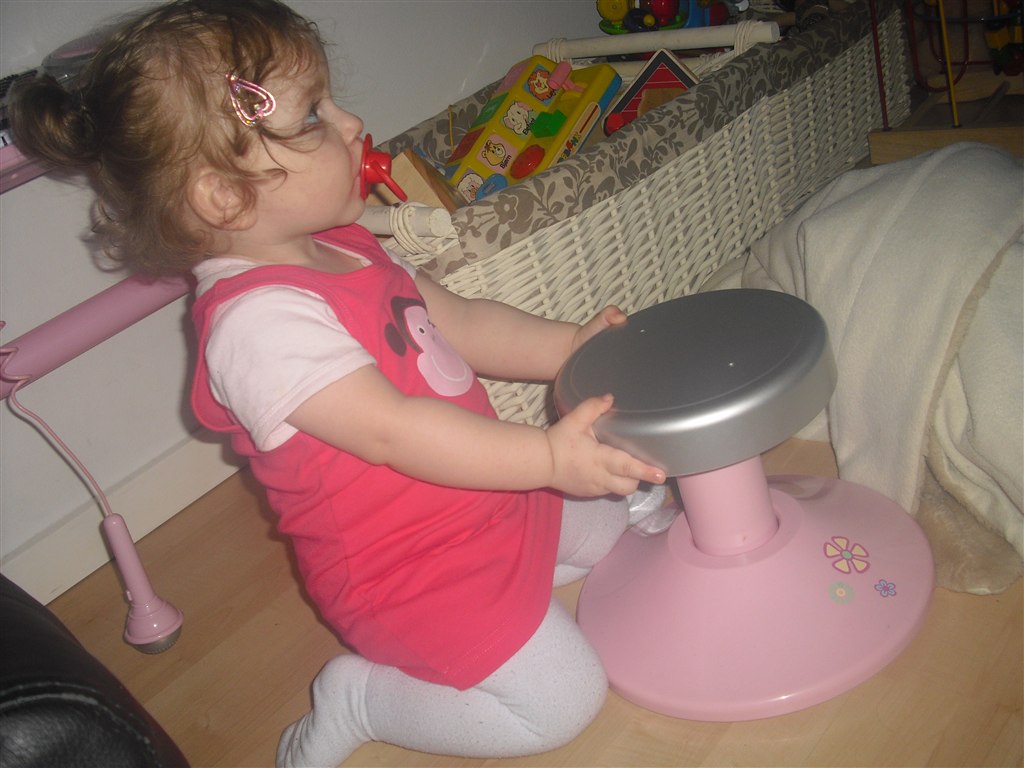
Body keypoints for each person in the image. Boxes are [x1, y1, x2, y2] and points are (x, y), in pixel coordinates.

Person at [12, 1, 667, 765]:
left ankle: (534, 582)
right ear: (223, 195)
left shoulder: (343, 244)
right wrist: (549, 458)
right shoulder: (257, 326)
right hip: (414, 574)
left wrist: (569, 348)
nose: (352, 123)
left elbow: (460, 321)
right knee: (562, 703)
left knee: (615, 518)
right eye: (314, 116)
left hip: (494, 502)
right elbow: (392, 429)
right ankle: (361, 698)